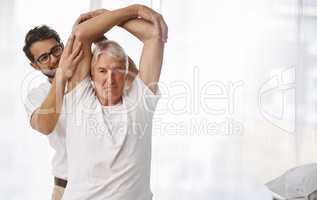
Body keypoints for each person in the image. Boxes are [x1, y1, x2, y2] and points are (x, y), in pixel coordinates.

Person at [22, 5, 162, 199]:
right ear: (34, 65)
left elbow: (120, 62)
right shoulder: (42, 95)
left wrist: (109, 21)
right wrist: (63, 75)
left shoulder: (95, 81)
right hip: (67, 185)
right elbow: (45, 125)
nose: (54, 59)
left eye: (56, 50)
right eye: (44, 57)